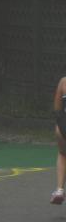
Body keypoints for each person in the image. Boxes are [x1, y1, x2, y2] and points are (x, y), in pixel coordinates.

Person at [50, 76, 66, 204]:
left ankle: (60, 190)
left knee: (63, 154)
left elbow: (57, 108)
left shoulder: (64, 81)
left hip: (64, 125)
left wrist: (59, 126)